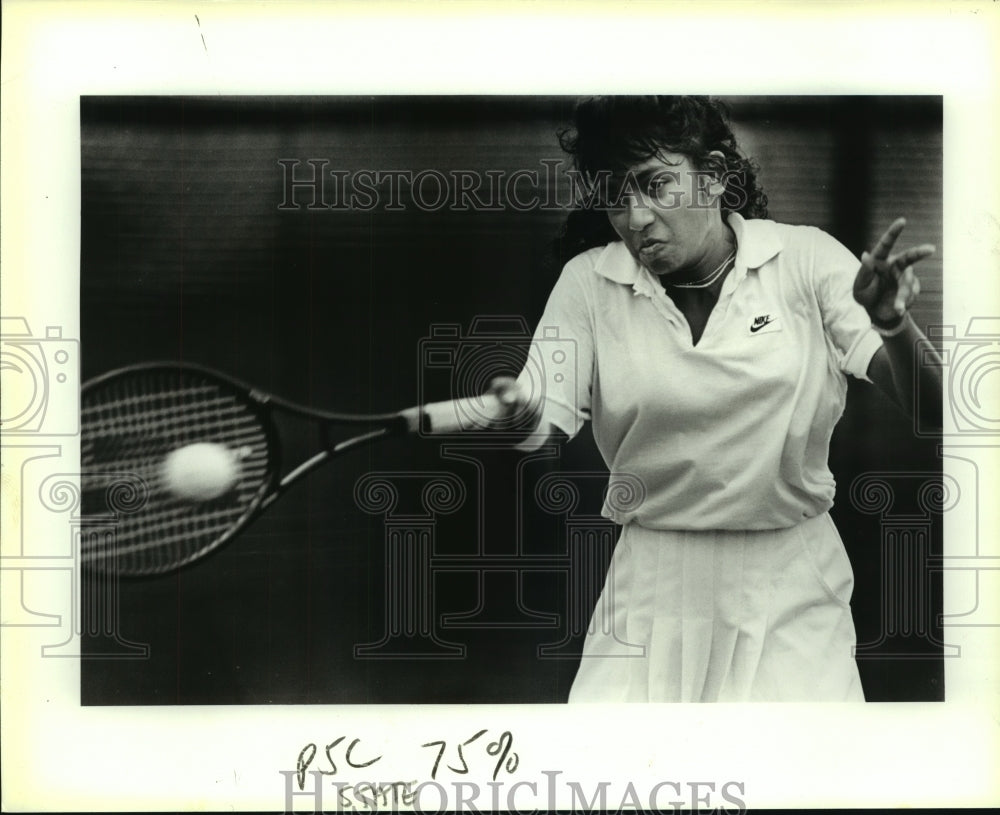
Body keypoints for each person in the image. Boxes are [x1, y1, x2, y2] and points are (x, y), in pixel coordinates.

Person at [486, 96, 943, 702]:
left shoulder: (806, 260)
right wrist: (519, 415)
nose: (636, 217)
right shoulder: (588, 282)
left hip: (791, 585)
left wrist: (890, 321)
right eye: (615, 195)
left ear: (717, 177)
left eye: (655, 184)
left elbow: (938, 414)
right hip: (647, 589)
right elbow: (543, 425)